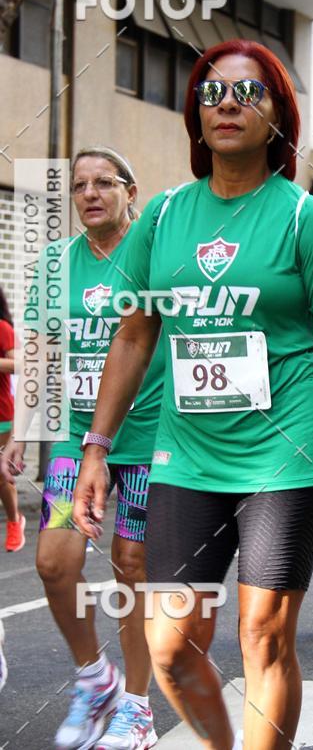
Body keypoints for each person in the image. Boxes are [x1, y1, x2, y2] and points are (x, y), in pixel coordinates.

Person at [70, 40, 313, 750]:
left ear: (278, 116)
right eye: (213, 93)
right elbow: (133, 338)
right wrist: (97, 445)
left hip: (291, 447)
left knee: (263, 633)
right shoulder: (160, 218)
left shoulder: (307, 220)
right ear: (195, 114)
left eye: (249, 94)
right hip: (187, 453)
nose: (227, 104)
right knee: (169, 645)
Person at [1, 147, 165, 750]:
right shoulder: (54, 263)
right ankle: (95, 679)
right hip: (73, 438)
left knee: (132, 564)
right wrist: (23, 429)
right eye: (79, 186)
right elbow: (40, 348)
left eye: (104, 183)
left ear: (130, 189)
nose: (90, 193)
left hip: (146, 435)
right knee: (55, 563)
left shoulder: (152, 253)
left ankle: (138, 708)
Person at [0, 287, 26, 552]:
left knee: (0, 474)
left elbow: (19, 365)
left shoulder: (3, 328)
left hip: (1, 415)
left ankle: (14, 520)